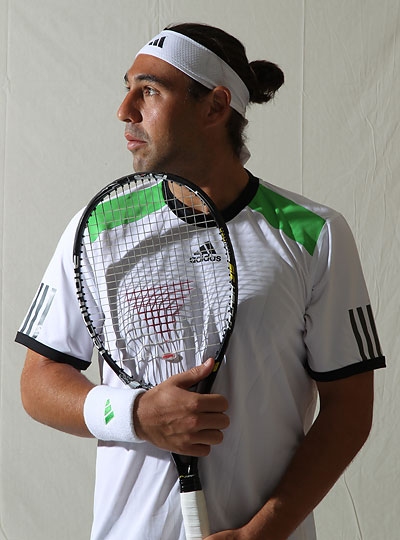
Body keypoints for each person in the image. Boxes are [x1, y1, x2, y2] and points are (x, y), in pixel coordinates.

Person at [17, 23, 386, 540]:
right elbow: (38, 382)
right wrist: (135, 414)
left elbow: (350, 411)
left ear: (215, 106)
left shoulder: (315, 233)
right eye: (128, 88)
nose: (124, 110)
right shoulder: (96, 229)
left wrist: (260, 533)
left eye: (150, 90)